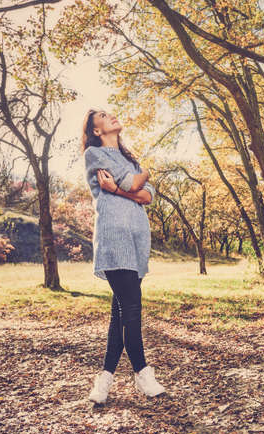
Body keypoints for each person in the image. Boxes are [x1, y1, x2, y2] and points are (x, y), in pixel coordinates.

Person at [82, 108, 166, 404]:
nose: (112, 116)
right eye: (103, 116)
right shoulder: (94, 154)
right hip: (114, 239)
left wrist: (119, 186)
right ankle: (143, 374)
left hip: (137, 240)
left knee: (120, 315)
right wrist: (140, 179)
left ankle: (103, 382)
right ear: (96, 130)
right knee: (131, 308)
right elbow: (137, 185)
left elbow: (148, 196)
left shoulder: (130, 160)